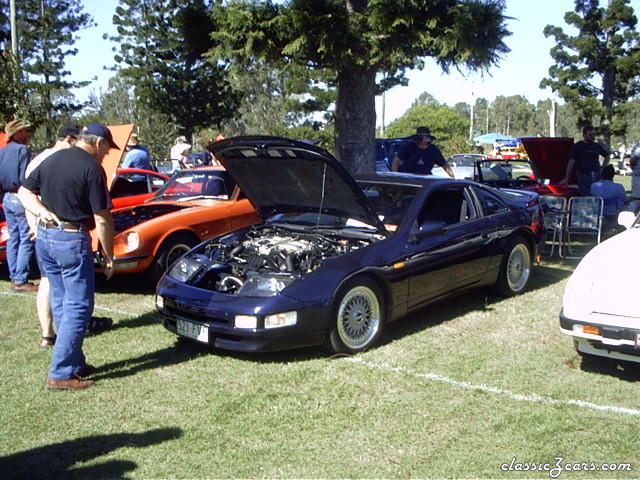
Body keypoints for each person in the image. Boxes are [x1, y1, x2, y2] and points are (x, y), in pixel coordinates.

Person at [18, 122, 118, 390]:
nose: (106, 155)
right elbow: (102, 218)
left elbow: (24, 191)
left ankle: (73, 362)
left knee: (62, 301)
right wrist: (109, 255)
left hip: (46, 239)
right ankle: (61, 373)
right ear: (97, 143)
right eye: (107, 150)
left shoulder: (53, 158)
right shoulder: (92, 169)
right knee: (79, 306)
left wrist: (39, 211)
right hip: (71, 240)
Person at [24, 123, 80, 348]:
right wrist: (36, 224)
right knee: (50, 282)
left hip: (46, 230)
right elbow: (28, 196)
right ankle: (50, 333)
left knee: (55, 281)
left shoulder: (39, 159)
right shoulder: (48, 160)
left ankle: (56, 331)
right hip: (52, 231)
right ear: (68, 139)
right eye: (78, 141)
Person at [0, 119, 37, 291]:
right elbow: (25, 177)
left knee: (13, 238)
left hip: (7, 197)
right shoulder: (23, 150)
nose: (26, 134)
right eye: (23, 131)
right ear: (17, 133)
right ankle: (21, 278)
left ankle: (14, 275)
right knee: (26, 238)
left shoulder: (3, 151)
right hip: (20, 195)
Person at [560, 125, 609, 195]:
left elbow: (607, 155)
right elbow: (571, 162)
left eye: (594, 135)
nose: (592, 136)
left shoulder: (597, 146)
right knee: (585, 195)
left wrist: (603, 168)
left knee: (597, 195)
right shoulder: (577, 146)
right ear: (584, 135)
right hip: (583, 175)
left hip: (596, 174)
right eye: (590, 135)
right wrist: (566, 178)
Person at [589, 164, 627, 231]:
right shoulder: (618, 187)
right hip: (613, 213)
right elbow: (625, 200)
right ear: (613, 175)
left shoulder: (594, 186)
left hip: (598, 212)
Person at [628, 143, 640, 214]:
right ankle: (634, 217)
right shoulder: (638, 146)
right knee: (637, 198)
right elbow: (633, 160)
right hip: (638, 177)